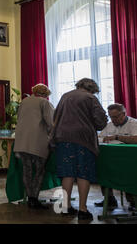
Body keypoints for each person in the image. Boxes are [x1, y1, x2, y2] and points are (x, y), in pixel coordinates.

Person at [51, 78, 107, 220]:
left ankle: (65, 206)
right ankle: (83, 209)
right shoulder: (90, 98)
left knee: (67, 173)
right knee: (84, 172)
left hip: (63, 138)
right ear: (92, 89)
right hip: (83, 139)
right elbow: (101, 121)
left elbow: (55, 117)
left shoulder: (65, 96)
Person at [13, 84, 54, 209]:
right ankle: (34, 198)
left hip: (22, 140)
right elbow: (51, 122)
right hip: (38, 140)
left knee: (27, 170)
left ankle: (30, 197)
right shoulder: (45, 103)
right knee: (39, 170)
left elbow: (19, 119)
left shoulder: (24, 102)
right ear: (46, 94)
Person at [96, 103, 137, 211]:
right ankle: (109, 199)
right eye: (111, 117)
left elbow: (136, 139)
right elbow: (99, 138)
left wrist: (117, 137)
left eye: (115, 117)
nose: (113, 119)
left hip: (130, 160)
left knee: (130, 174)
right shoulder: (109, 125)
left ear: (123, 114)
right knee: (103, 169)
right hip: (111, 159)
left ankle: (133, 201)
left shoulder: (133, 123)